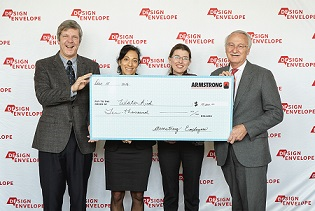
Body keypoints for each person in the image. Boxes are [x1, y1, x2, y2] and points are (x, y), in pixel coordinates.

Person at [211, 30, 283, 211]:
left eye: (241, 46)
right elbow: (209, 111)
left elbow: (276, 113)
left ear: (248, 50)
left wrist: (246, 127)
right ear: (225, 48)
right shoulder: (216, 75)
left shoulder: (262, 75)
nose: (235, 49)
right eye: (231, 45)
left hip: (252, 152)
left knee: (253, 206)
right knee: (238, 205)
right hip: (225, 152)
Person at [32, 20, 100, 211]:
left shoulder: (92, 66)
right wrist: (71, 88)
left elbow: (97, 102)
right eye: (65, 37)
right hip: (50, 141)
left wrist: (93, 124)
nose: (70, 41)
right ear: (58, 39)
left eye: (74, 37)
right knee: (52, 201)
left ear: (80, 41)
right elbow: (43, 96)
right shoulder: (44, 65)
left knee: (79, 201)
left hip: (81, 141)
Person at [104, 44, 155, 211]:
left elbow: (152, 118)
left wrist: (136, 133)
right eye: (126, 59)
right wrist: (119, 134)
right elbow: (103, 115)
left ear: (139, 64)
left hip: (140, 149)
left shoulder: (148, 87)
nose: (130, 64)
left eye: (134, 60)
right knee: (117, 195)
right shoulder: (106, 87)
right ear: (119, 62)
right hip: (116, 148)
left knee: (138, 195)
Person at [158, 43, 204, 211]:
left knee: (192, 192)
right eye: (177, 57)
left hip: (193, 144)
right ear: (169, 60)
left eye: (185, 58)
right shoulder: (158, 85)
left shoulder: (198, 83)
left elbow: (205, 110)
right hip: (167, 144)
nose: (180, 61)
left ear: (189, 62)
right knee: (170, 191)